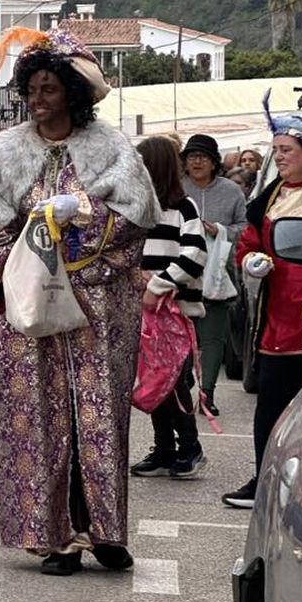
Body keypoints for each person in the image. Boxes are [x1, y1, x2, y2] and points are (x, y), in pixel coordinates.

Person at [0, 27, 159, 576]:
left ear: (72, 92)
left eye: (48, 89)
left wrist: (84, 219)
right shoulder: (3, 152)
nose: (38, 100)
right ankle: (55, 538)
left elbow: (136, 221)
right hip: (28, 307)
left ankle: (106, 531)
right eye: (32, 90)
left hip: (97, 306)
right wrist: (28, 250)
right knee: (36, 416)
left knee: (100, 413)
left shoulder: (112, 148)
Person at [222, 95, 302, 509]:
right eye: (276, 150)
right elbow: (248, 241)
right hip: (276, 317)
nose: (278, 157)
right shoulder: (271, 196)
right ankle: (265, 479)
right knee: (270, 403)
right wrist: (250, 259)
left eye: (286, 150)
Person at [130, 137, 210, 480]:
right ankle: (164, 449)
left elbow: (194, 255)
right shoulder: (135, 209)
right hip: (145, 313)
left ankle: (190, 448)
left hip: (174, 312)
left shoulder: (184, 207)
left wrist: (158, 285)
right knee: (152, 381)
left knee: (173, 380)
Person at [180, 134, 246, 417]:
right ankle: (182, 387)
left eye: (203, 157)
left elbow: (244, 227)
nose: (197, 162)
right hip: (181, 275)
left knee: (212, 338)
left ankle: (207, 394)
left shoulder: (231, 191)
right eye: (192, 156)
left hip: (218, 275)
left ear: (214, 162)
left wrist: (220, 231)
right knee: (181, 337)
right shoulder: (177, 189)